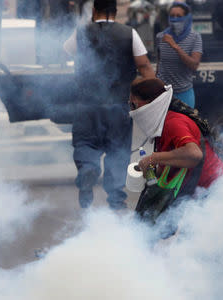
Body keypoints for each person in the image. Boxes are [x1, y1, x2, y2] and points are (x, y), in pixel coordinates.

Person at [63, 0, 155, 210]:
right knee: (117, 149)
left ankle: (87, 168)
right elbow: (144, 65)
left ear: (94, 11)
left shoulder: (81, 32)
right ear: (115, 12)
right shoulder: (129, 33)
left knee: (85, 143)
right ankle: (115, 199)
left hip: (87, 106)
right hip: (117, 106)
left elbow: (65, 51)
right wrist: (153, 95)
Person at [129, 78, 223, 202]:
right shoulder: (162, 124)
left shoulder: (173, 122)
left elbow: (194, 154)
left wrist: (153, 158)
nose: (132, 111)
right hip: (204, 191)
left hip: (218, 190)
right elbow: (171, 162)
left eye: (134, 105)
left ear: (150, 102)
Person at [155, 2, 202, 108]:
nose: (175, 19)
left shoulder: (195, 37)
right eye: (172, 16)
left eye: (179, 16)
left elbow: (194, 65)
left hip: (184, 94)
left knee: (183, 123)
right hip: (163, 94)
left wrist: (175, 46)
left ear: (187, 18)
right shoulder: (161, 37)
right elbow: (159, 64)